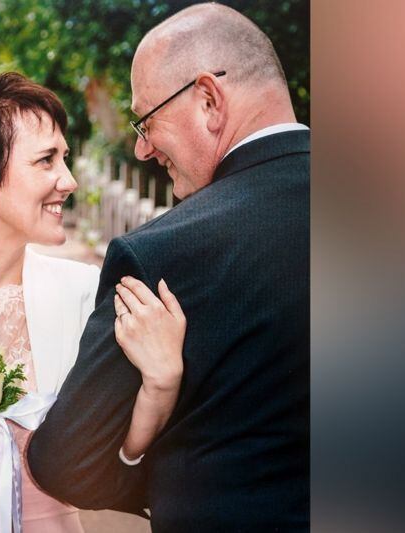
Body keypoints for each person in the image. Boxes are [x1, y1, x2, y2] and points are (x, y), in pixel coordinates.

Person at [28, 3, 310, 531]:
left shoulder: (166, 256)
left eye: (146, 120)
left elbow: (64, 460)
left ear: (209, 99)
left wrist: (149, 442)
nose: (141, 148)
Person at [0, 70, 186, 532]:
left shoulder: (88, 295)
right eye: (46, 160)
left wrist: (161, 385)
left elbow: (121, 463)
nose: (68, 181)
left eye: (65, 159)